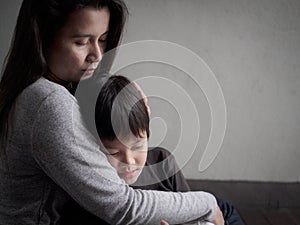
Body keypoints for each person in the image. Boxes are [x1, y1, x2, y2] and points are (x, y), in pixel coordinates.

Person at [0, 0, 224, 224]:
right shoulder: (49, 102)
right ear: (43, 38)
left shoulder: (35, 88)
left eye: (103, 40)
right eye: (81, 42)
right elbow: (123, 207)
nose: (97, 55)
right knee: (217, 212)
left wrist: (123, 97)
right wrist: (207, 204)